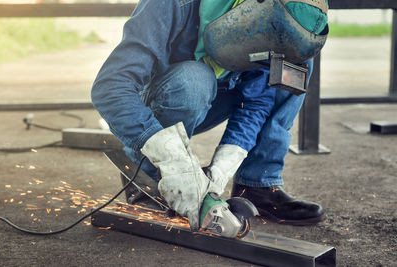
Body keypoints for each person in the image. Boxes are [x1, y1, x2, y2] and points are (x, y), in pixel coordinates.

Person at [91, 0, 329, 231]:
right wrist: (173, 161)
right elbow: (110, 88)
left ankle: (256, 184)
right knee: (193, 81)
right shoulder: (171, 4)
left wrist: (223, 167)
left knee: (295, 64)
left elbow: (256, 101)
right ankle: (145, 174)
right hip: (171, 95)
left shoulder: (272, 22)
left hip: (221, 93)